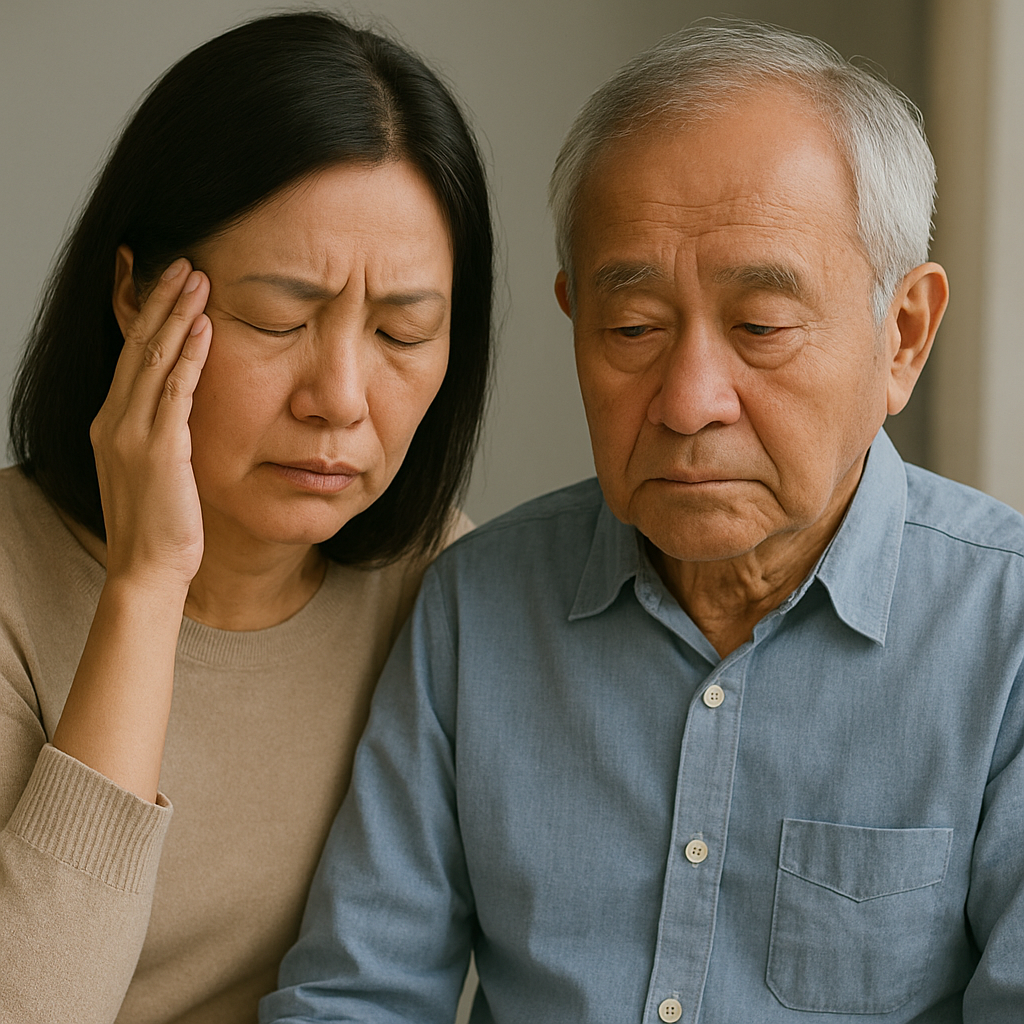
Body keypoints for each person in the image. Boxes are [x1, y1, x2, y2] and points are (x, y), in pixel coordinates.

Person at [261, 20, 1024, 1024]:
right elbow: (356, 997)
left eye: (759, 326)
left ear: (903, 337)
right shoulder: (476, 604)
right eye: (631, 329)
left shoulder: (1002, 629)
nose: (687, 398)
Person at [0, 11, 492, 1024]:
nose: (341, 397)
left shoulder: (441, 586)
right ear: (135, 294)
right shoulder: (13, 580)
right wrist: (146, 585)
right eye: (279, 319)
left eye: (404, 331)